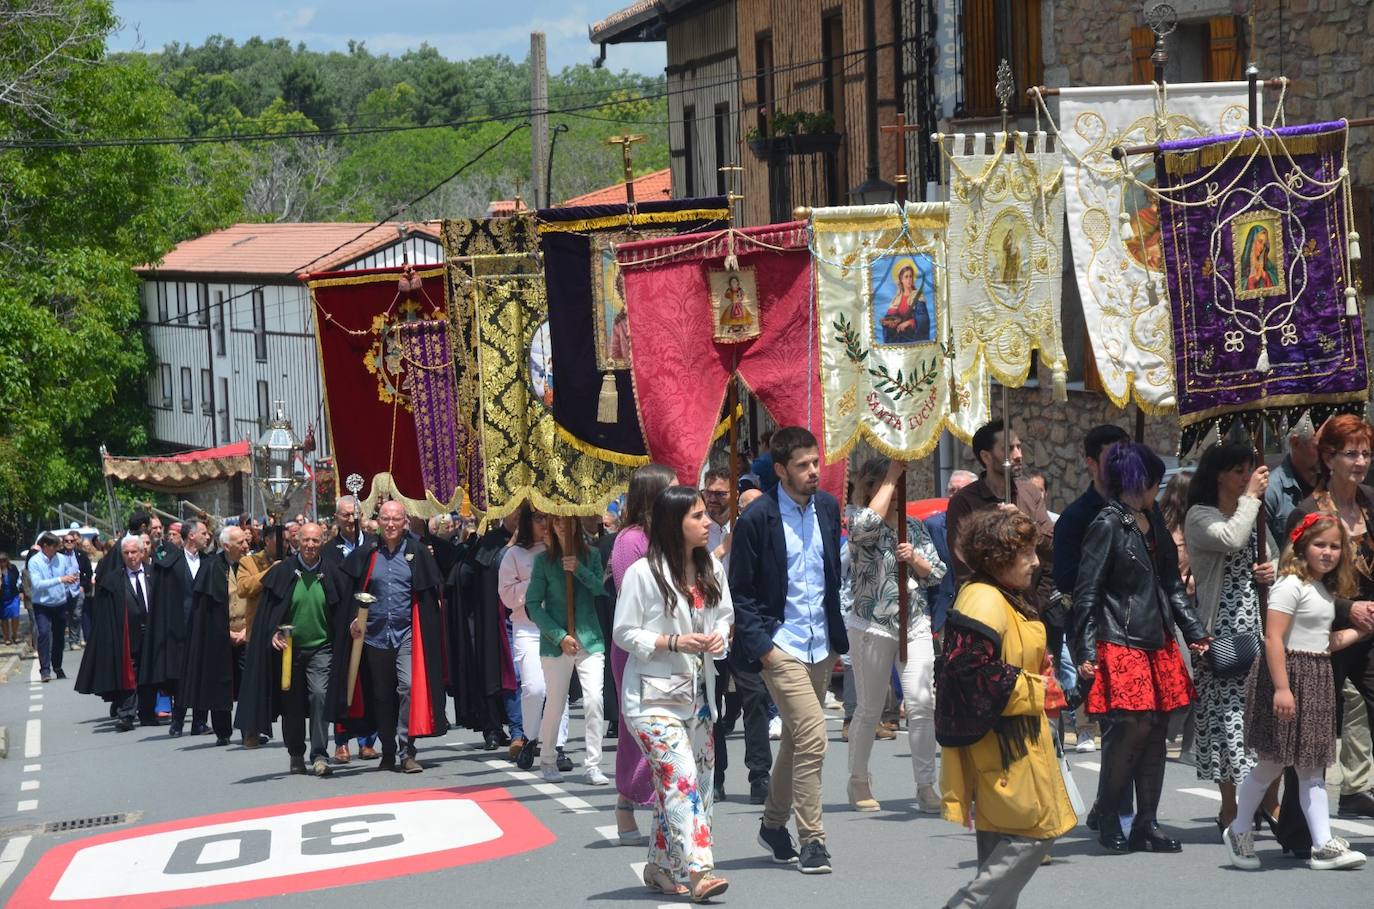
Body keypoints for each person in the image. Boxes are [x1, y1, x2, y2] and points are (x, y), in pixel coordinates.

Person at [1074, 443, 1209, 853]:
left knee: (1155, 732)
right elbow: (1086, 592)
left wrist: (1195, 633)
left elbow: (1171, 584)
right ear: (1143, 480)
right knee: (1129, 728)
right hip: (1118, 638)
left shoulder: (1153, 520)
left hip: (1159, 638)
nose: (1158, 485)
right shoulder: (1106, 524)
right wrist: (1084, 649)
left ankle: (1146, 823)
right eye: (1154, 478)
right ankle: (1110, 812)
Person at [936, 509, 1075, 908]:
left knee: (1006, 837)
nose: (1035, 561)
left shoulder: (998, 594)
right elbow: (968, 671)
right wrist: (1038, 687)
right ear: (999, 558)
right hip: (1003, 741)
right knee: (1034, 829)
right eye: (1026, 553)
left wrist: (1037, 669)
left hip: (1012, 736)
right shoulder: (983, 598)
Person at [730, 426, 847, 875]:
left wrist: (837, 641)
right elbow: (740, 591)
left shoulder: (827, 508)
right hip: (782, 647)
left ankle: (773, 825)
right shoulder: (757, 519)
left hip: (822, 647)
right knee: (814, 737)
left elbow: (829, 576)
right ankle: (813, 839)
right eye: (803, 465)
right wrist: (765, 649)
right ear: (780, 470)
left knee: (798, 740)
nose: (814, 471)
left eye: (816, 462)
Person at [1224, 511, 1368, 872]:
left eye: (1335, 546)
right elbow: (1273, 638)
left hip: (1316, 676)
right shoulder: (1290, 584)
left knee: (1311, 767)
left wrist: (1363, 631)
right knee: (1272, 762)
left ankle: (1322, 844)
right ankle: (1239, 829)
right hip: (1288, 676)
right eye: (1320, 544)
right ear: (1302, 546)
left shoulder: (1323, 589)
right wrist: (1282, 689)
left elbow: (1325, 643)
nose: (1328, 552)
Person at [614, 485, 734, 900]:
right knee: (680, 777)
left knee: (695, 783)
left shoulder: (711, 569)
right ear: (673, 522)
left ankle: (660, 867)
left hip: (699, 696)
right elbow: (624, 632)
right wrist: (672, 642)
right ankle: (700, 870)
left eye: (706, 515)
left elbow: (724, 618)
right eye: (697, 516)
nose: (707, 523)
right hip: (651, 697)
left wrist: (718, 638)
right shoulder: (642, 574)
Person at [1281, 415, 1374, 833]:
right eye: (1351, 453)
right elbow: (1295, 577)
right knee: (1313, 730)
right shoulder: (1308, 510)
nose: (1361, 462)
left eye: (1366, 453)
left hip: (1371, 631)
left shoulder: (1372, 502)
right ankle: (1298, 829)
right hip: (1323, 633)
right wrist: (1346, 608)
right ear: (1328, 457)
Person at [1184, 439, 1277, 832]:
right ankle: (1229, 805)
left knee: (1264, 717)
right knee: (1225, 720)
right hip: (1220, 630)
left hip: (1257, 622)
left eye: (1248, 470)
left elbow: (1271, 552)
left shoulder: (1253, 514)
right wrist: (1251, 498)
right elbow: (1230, 539)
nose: (1245, 477)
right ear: (1219, 474)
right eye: (1238, 471)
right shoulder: (1200, 515)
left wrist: (1272, 568)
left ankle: (1267, 804)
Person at [844, 457, 946, 813]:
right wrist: (890, 476)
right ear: (873, 487)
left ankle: (925, 784)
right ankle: (858, 778)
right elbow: (862, 528)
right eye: (893, 485)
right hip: (872, 622)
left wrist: (915, 559)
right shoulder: (858, 519)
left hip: (914, 620)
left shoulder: (914, 528)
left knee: (921, 703)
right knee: (871, 707)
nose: (900, 492)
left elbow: (936, 572)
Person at [338, 500, 450, 773]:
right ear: (378, 521)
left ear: (405, 522)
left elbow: (430, 596)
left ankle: (406, 750)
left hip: (407, 635)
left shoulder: (418, 552)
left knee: (408, 687)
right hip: (374, 635)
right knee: (382, 695)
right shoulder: (368, 553)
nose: (390, 524)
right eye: (385, 519)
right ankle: (387, 750)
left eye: (396, 519)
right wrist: (353, 618)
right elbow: (350, 588)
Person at [237, 522, 343, 777]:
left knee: (319, 695)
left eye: (315, 541)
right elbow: (267, 615)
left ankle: (319, 753)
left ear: (322, 541)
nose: (310, 545)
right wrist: (273, 633)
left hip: (322, 647)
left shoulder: (331, 571)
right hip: (289, 650)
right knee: (292, 704)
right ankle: (296, 753)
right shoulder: (283, 571)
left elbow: (341, 608)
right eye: (305, 540)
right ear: (297, 541)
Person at [1052, 423, 1132, 754]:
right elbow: (1068, 581)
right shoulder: (1074, 518)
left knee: (1142, 730)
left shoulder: (1141, 509)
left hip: (1141, 627)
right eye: (1111, 458)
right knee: (1118, 727)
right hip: (1100, 630)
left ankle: (1139, 808)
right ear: (1091, 464)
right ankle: (1116, 807)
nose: (1120, 466)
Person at [609, 464, 677, 842]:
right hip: (641, 648)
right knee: (639, 728)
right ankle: (625, 804)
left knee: (672, 729)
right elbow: (631, 593)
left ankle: (666, 810)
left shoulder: (669, 535)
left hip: (676, 647)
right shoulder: (629, 540)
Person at [525, 514, 608, 784]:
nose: (561, 527)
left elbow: (601, 590)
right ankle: (547, 759)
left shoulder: (592, 555)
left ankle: (593, 764)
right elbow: (533, 605)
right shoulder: (543, 562)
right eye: (556, 522)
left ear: (575, 524)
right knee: (556, 703)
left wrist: (578, 570)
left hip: (589, 639)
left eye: (566, 522)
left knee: (594, 700)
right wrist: (559, 636)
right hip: (557, 643)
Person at [501, 506, 571, 769]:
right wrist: (536, 580)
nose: (545, 524)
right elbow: (507, 596)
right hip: (528, 628)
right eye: (539, 518)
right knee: (534, 687)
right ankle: (530, 737)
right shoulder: (514, 555)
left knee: (558, 688)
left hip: (557, 628)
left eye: (549, 518)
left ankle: (557, 745)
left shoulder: (561, 552)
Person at [447, 509, 519, 752]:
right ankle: (493, 729)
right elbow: (468, 575)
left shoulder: (533, 540)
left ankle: (521, 729)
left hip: (521, 615)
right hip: (490, 616)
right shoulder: (489, 542)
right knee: (492, 673)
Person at [74, 535, 158, 730]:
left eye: (134, 552)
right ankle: (127, 714)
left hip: (151, 632)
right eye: (126, 553)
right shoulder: (113, 580)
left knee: (149, 673)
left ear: (142, 552)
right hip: (126, 634)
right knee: (129, 673)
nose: (131, 556)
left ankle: (147, 713)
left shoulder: (154, 575)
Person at [182, 526, 251, 745]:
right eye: (240, 543)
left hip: (246, 633)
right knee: (219, 682)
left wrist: (247, 630)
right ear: (227, 545)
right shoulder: (211, 567)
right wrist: (227, 632)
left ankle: (250, 729)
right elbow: (206, 612)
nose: (246, 546)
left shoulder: (249, 565)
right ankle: (223, 731)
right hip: (220, 636)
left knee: (249, 683)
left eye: (245, 542)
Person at [164, 520, 211, 737]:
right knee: (181, 676)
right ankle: (178, 721)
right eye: (203, 533)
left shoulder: (209, 561)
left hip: (204, 627)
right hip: (179, 629)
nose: (207, 536)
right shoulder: (172, 563)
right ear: (191, 536)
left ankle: (200, 722)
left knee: (203, 674)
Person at [926, 470, 978, 635]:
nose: (955, 495)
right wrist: (926, 613)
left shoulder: (985, 526)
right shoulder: (932, 526)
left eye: (961, 490)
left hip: (978, 612)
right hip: (943, 616)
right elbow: (921, 574)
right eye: (952, 490)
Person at [27, 533, 76, 682]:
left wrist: (71, 579)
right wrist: (60, 579)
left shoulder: (61, 559)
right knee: (43, 634)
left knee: (59, 637)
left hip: (60, 603)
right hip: (42, 604)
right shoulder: (34, 562)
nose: (58, 549)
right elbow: (37, 585)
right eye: (55, 547)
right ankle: (45, 670)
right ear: (45, 546)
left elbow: (68, 574)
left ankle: (57, 666)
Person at [1265, 415, 1320, 543]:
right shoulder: (1271, 490)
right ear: (1295, 443)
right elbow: (1263, 549)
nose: (1325, 453)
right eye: (1318, 447)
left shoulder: (1333, 484)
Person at [1, 553, 23, 646]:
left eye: (4, 560)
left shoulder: (12, 568)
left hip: (13, 595)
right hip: (2, 597)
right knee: (4, 618)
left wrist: (21, 591)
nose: (2, 563)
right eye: (0, 561)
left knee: (15, 615)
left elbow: (19, 580)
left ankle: (15, 634)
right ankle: (7, 637)